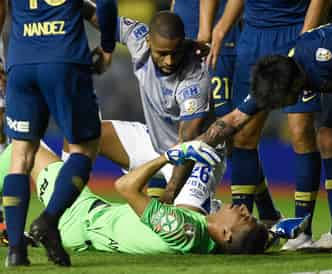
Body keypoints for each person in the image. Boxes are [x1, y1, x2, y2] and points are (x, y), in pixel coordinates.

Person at [192, 21, 332, 256]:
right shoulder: (278, 75)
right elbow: (234, 119)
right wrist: (193, 147)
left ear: (295, 89)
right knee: (328, 139)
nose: (282, 108)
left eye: (282, 102)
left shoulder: (325, 55)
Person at [0, 142, 309, 255]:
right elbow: (249, 243)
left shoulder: (182, 230)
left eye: (243, 216)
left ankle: (9, 228)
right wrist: (273, 233)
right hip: (92, 216)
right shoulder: (202, 234)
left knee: (21, 148)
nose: (242, 207)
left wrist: (168, 156)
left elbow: (124, 186)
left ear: (226, 233)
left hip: (77, 219)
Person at [64, 8, 226, 215]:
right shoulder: (137, 37)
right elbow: (100, 17)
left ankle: (212, 209)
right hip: (155, 145)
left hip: (195, 158)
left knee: (181, 229)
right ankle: (65, 210)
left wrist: (170, 195)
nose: (169, 61)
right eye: (162, 54)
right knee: (80, 133)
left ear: (183, 43)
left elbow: (188, 141)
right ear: (148, 41)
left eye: (175, 53)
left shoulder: (195, 79)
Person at [202, 0, 332, 250]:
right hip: (253, 37)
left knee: (301, 132)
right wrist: (220, 29)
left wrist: (306, 37)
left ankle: (302, 231)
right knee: (242, 136)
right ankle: (243, 230)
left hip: (295, 31)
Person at [0, 0, 117, 267]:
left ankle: (16, 250)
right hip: (65, 60)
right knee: (84, 148)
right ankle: (49, 220)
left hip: (21, 62)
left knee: (20, 155)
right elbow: (107, 5)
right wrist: (108, 46)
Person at [170, 0, 281, 226]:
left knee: (229, 131)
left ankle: (254, 215)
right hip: (187, 38)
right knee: (194, 127)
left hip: (217, 42)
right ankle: (268, 212)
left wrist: (208, 31)